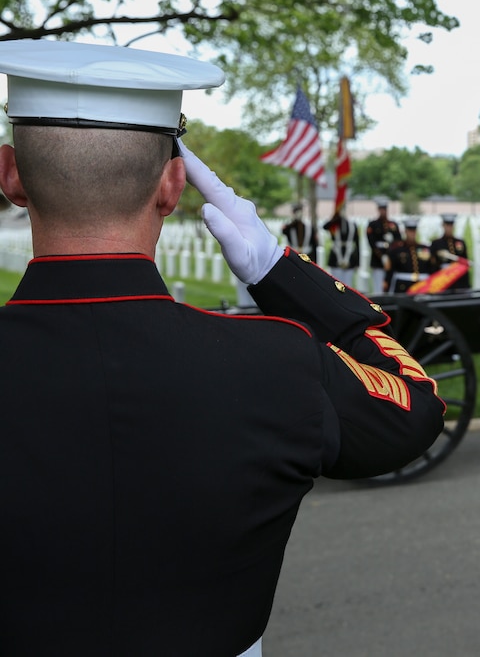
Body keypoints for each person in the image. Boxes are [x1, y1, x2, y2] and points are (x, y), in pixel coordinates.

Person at [0, 40, 445, 656]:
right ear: (173, 184)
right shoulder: (277, 363)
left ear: (11, 175)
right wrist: (279, 271)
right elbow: (414, 407)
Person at [383, 216, 434, 293]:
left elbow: (432, 268)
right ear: (405, 231)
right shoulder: (396, 250)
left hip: (422, 286)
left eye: (414, 230)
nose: (412, 233)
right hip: (403, 286)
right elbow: (390, 271)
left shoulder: (425, 249)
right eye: (410, 230)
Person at [366, 196, 401, 294]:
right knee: (378, 286)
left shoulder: (393, 225)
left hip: (391, 257)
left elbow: (399, 241)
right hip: (378, 259)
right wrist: (381, 256)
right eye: (381, 209)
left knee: (390, 285)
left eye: (384, 209)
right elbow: (371, 242)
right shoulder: (373, 224)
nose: (383, 211)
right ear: (378, 210)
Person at [429, 212, 471, 291]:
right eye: (447, 225)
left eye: (451, 225)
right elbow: (433, 264)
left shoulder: (460, 242)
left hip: (459, 279)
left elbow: (464, 262)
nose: (449, 228)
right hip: (442, 279)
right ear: (443, 225)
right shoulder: (436, 243)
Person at [322, 208, 361, 287]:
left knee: (348, 285)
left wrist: (358, 262)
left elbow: (357, 244)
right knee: (336, 283)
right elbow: (325, 227)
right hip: (336, 257)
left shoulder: (353, 225)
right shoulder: (334, 225)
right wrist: (336, 219)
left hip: (349, 257)